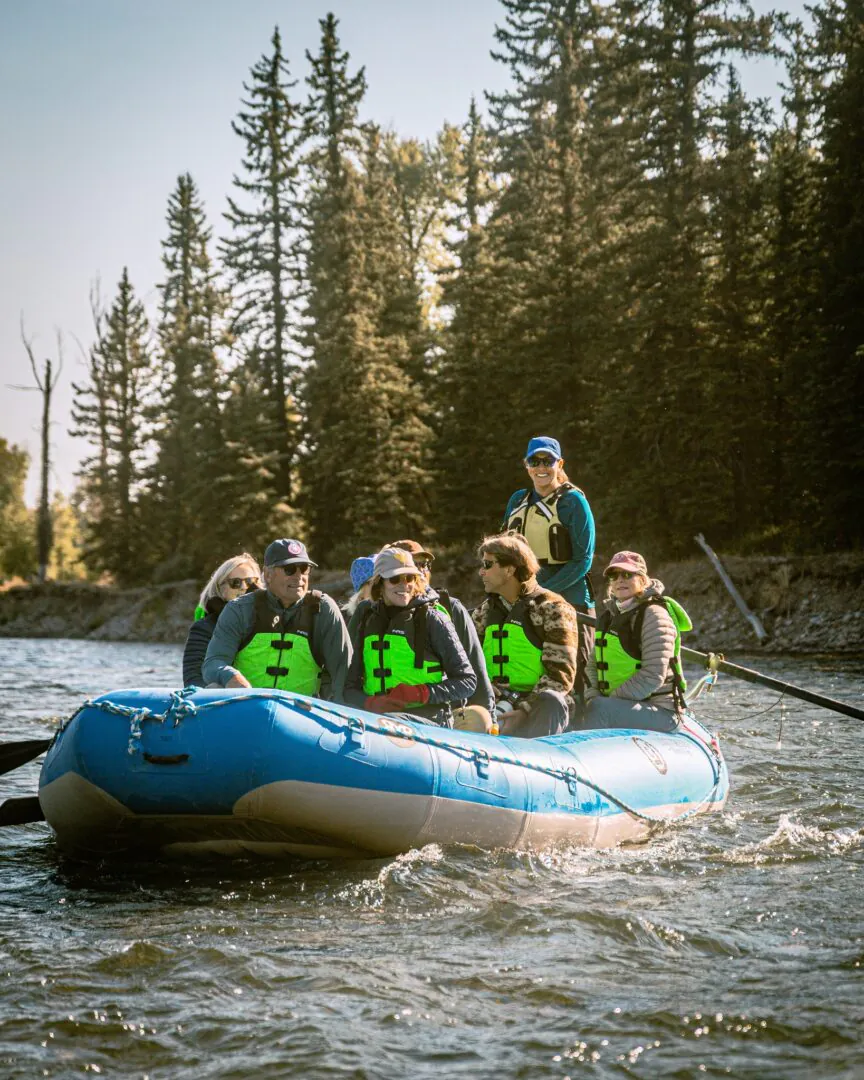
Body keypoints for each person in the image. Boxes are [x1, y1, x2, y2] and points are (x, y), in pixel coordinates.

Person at [502, 436, 596, 700]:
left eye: (548, 461)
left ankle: (582, 713)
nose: (541, 467)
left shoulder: (573, 501)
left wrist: (542, 593)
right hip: (526, 600)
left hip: (570, 600)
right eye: (535, 461)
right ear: (527, 465)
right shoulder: (518, 500)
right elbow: (503, 550)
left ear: (560, 464)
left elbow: (583, 560)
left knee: (574, 674)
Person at [202, 538, 351, 701]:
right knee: (213, 688)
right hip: (246, 705)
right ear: (267, 574)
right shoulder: (239, 609)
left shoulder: (323, 609)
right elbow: (213, 663)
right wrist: (231, 677)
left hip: (302, 711)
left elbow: (343, 670)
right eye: (289, 569)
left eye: (304, 569)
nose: (299, 577)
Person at [344, 547, 477, 728]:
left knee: (389, 723)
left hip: (428, 723)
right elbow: (349, 688)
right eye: (394, 579)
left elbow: (467, 682)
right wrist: (370, 703)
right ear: (379, 584)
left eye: (410, 578)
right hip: (376, 722)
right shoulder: (367, 619)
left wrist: (419, 693)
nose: (404, 585)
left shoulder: (433, 619)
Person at [472, 532, 580, 738]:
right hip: (495, 703)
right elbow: (468, 666)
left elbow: (561, 677)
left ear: (509, 569)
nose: (481, 572)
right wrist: (486, 691)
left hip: (538, 707)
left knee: (552, 700)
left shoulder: (553, 608)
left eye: (488, 565)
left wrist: (523, 711)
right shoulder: (483, 612)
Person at [389, 539, 495, 731]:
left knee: (480, 717)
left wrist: (490, 719)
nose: (420, 571)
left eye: (424, 564)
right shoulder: (373, 615)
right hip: (385, 717)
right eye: (412, 564)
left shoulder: (450, 608)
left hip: (445, 718)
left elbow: (476, 671)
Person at [582, 551, 692, 732]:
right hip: (617, 704)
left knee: (599, 709)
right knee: (581, 704)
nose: (620, 580)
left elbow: (652, 675)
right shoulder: (610, 616)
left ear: (642, 579)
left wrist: (608, 702)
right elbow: (592, 665)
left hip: (661, 711)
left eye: (627, 574)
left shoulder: (655, 615)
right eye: (614, 575)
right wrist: (592, 696)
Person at [183, 554, 261, 687]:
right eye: (235, 583)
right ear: (221, 588)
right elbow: (193, 677)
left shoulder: (273, 621)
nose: (243, 587)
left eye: (250, 582)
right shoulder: (204, 627)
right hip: (224, 695)